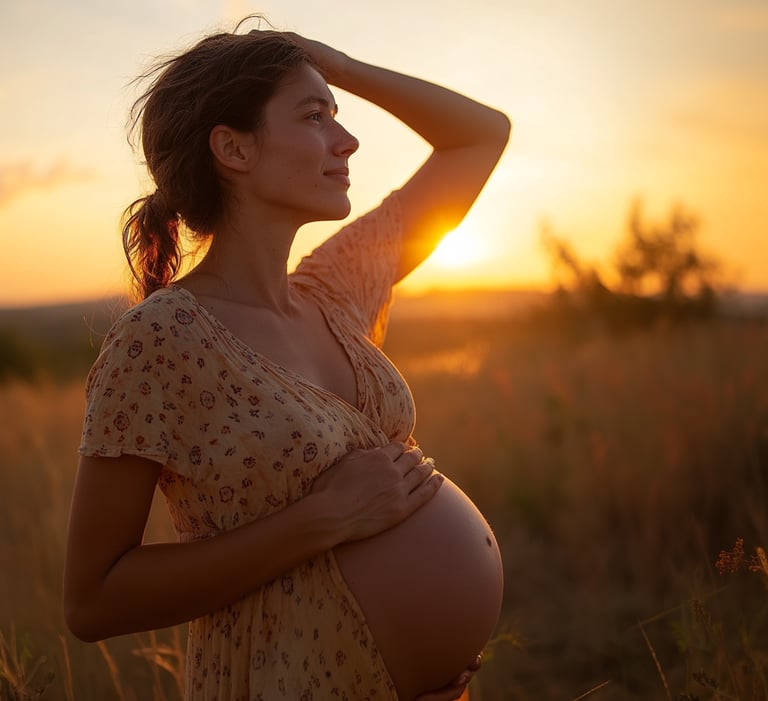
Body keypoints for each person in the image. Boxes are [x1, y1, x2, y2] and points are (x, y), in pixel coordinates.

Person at [64, 17, 510, 701]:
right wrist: (321, 517)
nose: (348, 139)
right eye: (314, 116)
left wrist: (335, 63)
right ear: (233, 149)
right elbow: (94, 600)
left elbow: (479, 137)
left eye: (337, 113)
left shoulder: (335, 290)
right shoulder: (160, 340)